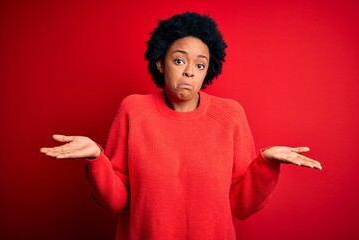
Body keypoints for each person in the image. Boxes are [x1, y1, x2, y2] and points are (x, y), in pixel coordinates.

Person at [40, 12, 322, 240]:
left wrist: (266, 165)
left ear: (208, 70)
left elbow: (241, 206)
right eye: (179, 60)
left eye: (200, 65)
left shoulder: (230, 115)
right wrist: (96, 159)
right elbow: (116, 202)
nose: (189, 70)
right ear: (161, 63)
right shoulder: (133, 110)